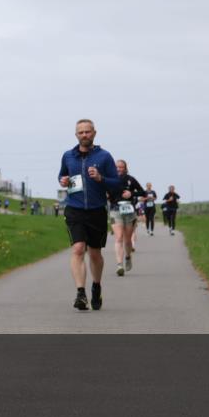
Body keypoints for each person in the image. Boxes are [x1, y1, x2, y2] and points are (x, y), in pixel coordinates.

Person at [58, 119, 121, 311]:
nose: (84, 135)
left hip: (97, 210)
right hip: (75, 209)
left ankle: (96, 286)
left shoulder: (104, 157)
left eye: (87, 132)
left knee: (94, 253)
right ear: (76, 135)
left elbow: (116, 184)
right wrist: (63, 180)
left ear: (94, 133)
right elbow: (61, 176)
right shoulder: (68, 156)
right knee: (78, 248)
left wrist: (101, 178)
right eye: (80, 132)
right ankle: (80, 293)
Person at [107, 160, 144, 276]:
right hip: (115, 210)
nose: (119, 169)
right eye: (117, 167)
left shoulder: (131, 180)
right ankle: (119, 265)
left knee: (127, 239)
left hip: (129, 211)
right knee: (119, 237)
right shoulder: (109, 179)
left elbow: (143, 192)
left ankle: (128, 257)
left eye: (121, 167)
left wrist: (131, 194)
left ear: (125, 168)